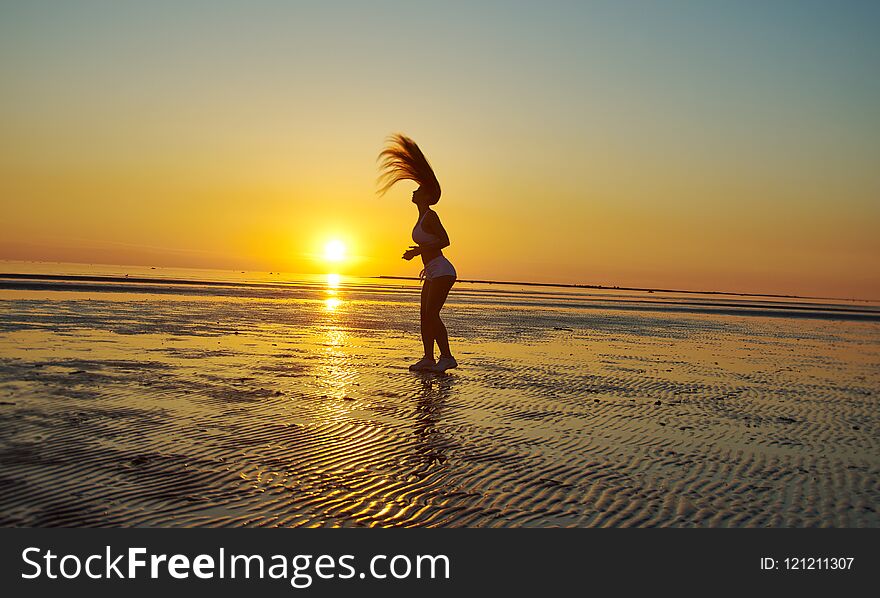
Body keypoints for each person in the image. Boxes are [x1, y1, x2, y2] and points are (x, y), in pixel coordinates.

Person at [378, 133, 458, 373]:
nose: (413, 192)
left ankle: (447, 357)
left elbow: (446, 241)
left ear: (426, 196)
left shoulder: (431, 216)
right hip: (432, 271)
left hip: (443, 270)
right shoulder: (422, 216)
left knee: (432, 314)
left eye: (417, 190)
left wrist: (418, 251)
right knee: (424, 316)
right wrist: (418, 252)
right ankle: (428, 358)